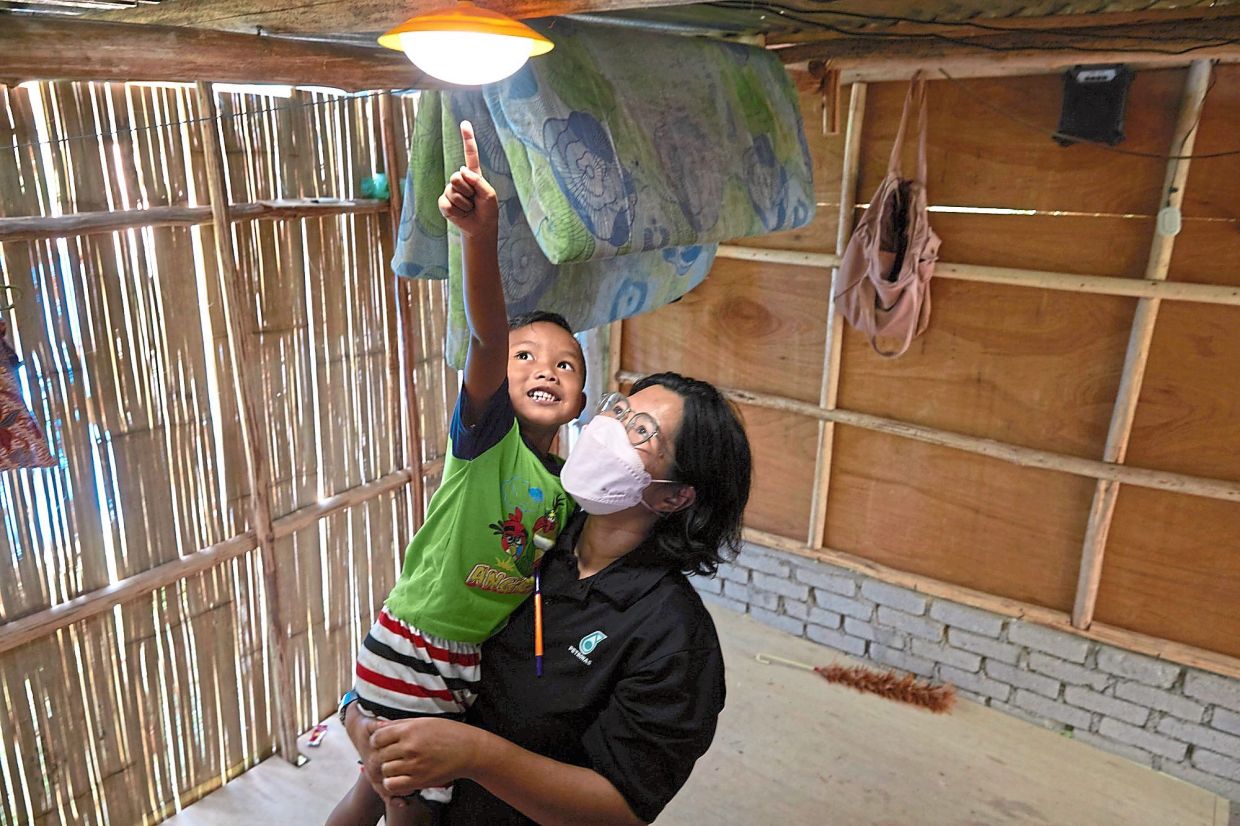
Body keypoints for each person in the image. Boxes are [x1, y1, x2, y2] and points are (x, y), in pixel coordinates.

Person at [345, 370, 753, 825]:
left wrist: (477, 756)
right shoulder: (532, 531)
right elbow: (433, 619)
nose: (612, 429)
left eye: (641, 431)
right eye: (618, 409)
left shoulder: (672, 638)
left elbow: (621, 810)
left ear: (674, 497)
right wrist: (360, 714)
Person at [327, 121, 587, 826]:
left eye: (565, 364)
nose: (545, 369)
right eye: (526, 358)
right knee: (413, 806)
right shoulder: (485, 439)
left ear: (582, 399)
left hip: (459, 661)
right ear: (496, 381)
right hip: (415, 643)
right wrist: (479, 237)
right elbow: (486, 335)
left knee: (374, 790)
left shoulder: (567, 490)